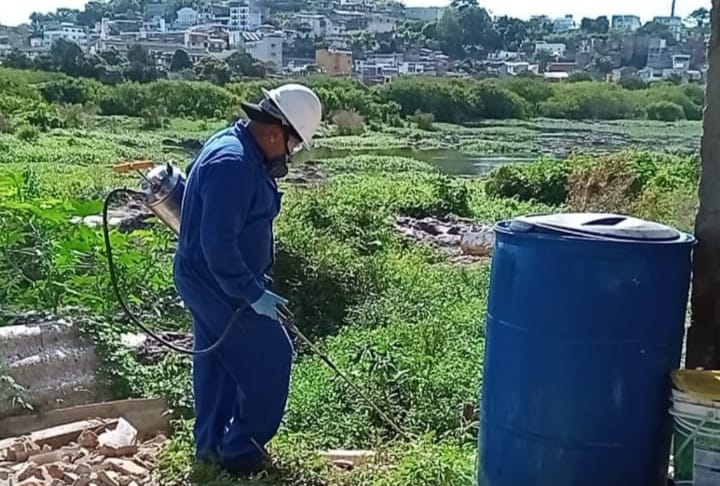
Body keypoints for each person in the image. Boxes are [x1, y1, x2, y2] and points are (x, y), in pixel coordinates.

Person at [172, 84, 323, 476]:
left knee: (218, 361)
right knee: (273, 356)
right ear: (275, 132)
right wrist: (252, 291)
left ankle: (209, 449)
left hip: (210, 279)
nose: (289, 155)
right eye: (291, 146)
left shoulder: (241, 148)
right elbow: (218, 244)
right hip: (218, 283)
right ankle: (241, 453)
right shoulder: (232, 165)